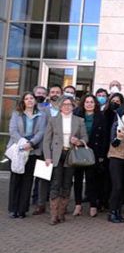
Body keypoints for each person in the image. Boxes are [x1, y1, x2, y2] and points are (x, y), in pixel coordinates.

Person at [42, 96, 87, 225]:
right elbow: (47, 140)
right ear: (60, 106)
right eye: (64, 104)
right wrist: (47, 156)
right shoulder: (53, 120)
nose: (67, 106)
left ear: (73, 106)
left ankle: (62, 212)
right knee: (56, 183)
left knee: (67, 184)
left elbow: (85, 138)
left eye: (69, 104)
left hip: (71, 154)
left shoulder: (79, 120)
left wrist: (78, 141)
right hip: (56, 155)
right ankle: (54, 215)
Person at [7, 92, 47, 219]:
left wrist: (31, 143)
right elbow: (12, 131)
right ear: (23, 101)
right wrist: (23, 143)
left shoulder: (42, 115)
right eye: (27, 99)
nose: (29, 100)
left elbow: (41, 132)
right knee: (15, 180)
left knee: (27, 180)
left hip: (33, 151)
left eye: (31, 98)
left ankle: (22, 210)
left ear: (35, 101)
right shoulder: (16, 114)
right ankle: (13, 209)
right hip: (18, 150)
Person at [73, 94, 110, 217]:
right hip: (78, 151)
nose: (89, 104)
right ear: (83, 104)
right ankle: (78, 205)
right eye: (87, 102)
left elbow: (105, 137)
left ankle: (93, 205)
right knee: (78, 179)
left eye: (91, 102)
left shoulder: (101, 118)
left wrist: (102, 155)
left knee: (91, 180)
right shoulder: (77, 117)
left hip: (94, 152)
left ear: (95, 104)